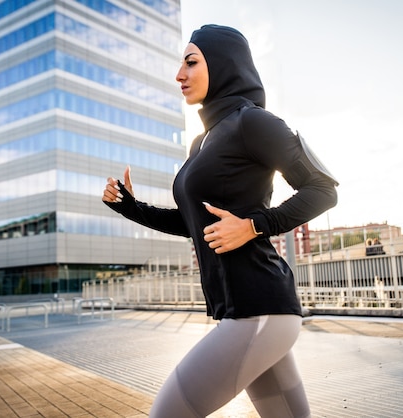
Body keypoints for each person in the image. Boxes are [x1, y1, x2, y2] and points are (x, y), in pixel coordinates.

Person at [102, 24, 338, 418]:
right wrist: (131, 206)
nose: (179, 74)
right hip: (242, 311)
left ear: (224, 65)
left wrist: (253, 225)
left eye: (191, 62)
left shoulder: (254, 123)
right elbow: (192, 222)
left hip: (260, 307)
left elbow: (323, 189)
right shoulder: (202, 141)